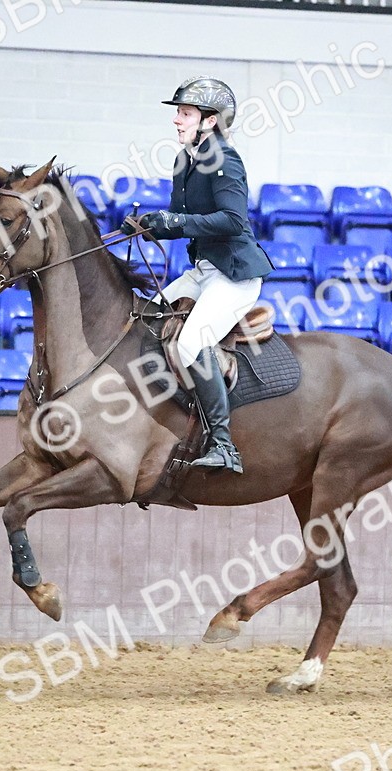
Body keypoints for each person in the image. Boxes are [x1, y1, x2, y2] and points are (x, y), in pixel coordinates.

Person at [122, 76, 274, 475]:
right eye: (179, 113)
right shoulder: (184, 160)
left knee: (191, 343)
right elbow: (180, 220)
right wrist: (148, 225)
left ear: (210, 121)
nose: (176, 119)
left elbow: (232, 220)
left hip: (234, 275)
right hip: (203, 270)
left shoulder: (225, 159)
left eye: (185, 113)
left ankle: (224, 445)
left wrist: (173, 221)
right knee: (147, 320)